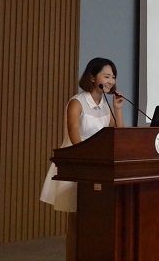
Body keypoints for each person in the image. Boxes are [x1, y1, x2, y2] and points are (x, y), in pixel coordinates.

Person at [40, 57, 125, 261]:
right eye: (106, 76)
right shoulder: (77, 102)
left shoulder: (106, 104)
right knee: (76, 220)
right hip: (77, 165)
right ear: (93, 78)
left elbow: (118, 136)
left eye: (113, 77)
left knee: (96, 219)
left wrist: (118, 109)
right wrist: (89, 162)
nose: (111, 81)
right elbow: (74, 135)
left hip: (99, 168)